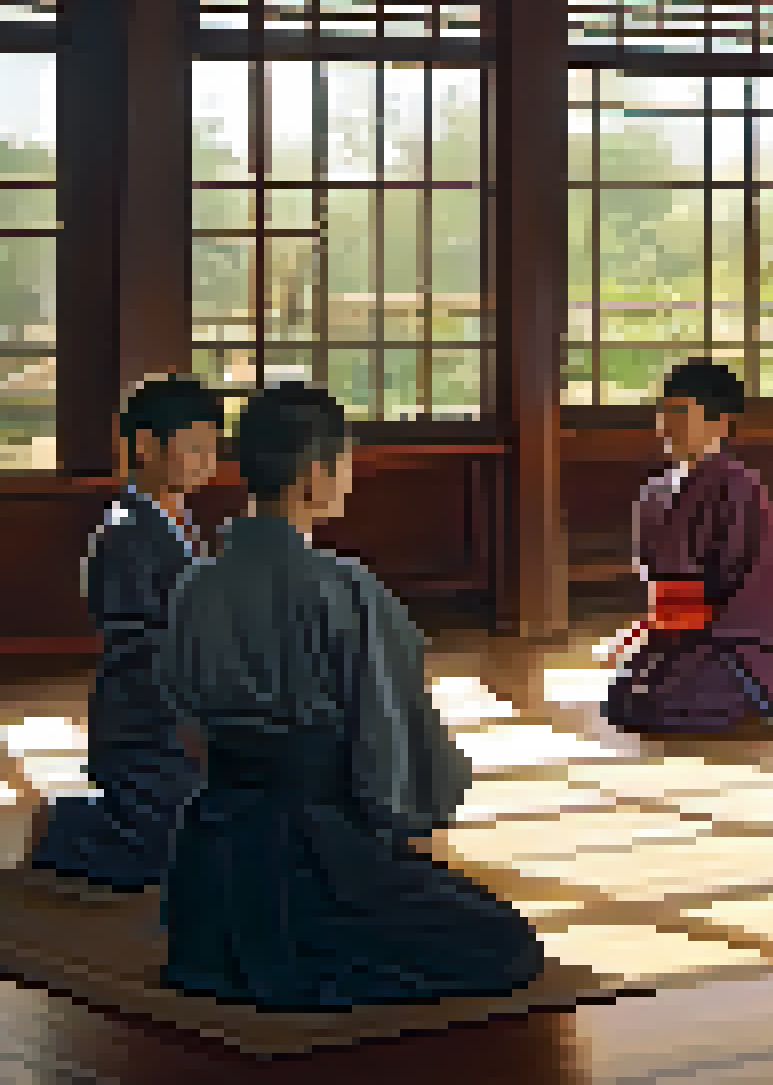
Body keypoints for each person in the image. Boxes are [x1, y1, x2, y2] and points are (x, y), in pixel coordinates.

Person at [157, 382, 542, 1010]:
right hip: (318, 846)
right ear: (314, 475)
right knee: (504, 942)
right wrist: (393, 829)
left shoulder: (196, 587)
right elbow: (386, 746)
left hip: (213, 856)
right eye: (343, 465)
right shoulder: (346, 590)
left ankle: (243, 948)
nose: (345, 479)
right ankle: (300, 956)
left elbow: (187, 729)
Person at [25, 376, 220, 901]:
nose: (207, 459)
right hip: (145, 726)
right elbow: (139, 646)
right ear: (144, 446)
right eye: (195, 446)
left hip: (183, 718)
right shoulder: (126, 531)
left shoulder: (176, 522)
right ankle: (46, 825)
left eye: (213, 447)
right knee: (155, 853)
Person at [605, 359, 773, 735]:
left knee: (682, 703)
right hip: (669, 633)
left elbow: (757, 578)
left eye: (681, 412)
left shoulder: (738, 486)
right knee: (628, 701)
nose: (667, 422)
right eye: (663, 410)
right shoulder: (657, 490)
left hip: (719, 636)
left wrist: (709, 627)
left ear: (719, 421)